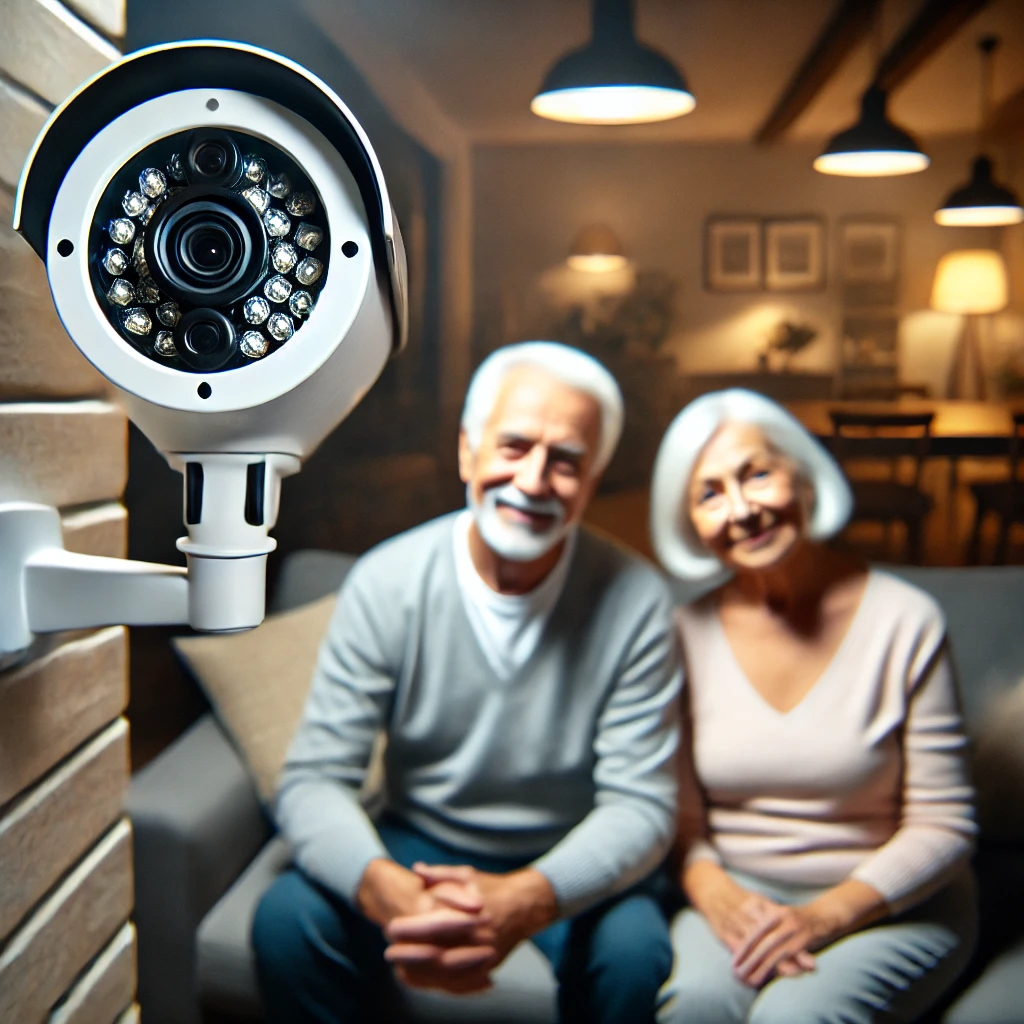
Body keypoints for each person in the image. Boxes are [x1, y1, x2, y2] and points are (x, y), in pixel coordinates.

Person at [252, 341, 681, 1023]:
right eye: (513, 447)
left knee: (632, 954)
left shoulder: (637, 601)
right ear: (467, 452)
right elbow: (313, 779)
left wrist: (526, 899)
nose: (535, 480)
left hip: (568, 846)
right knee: (286, 921)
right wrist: (388, 891)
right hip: (417, 840)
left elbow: (643, 807)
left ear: (593, 481)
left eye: (566, 460)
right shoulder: (387, 581)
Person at [649, 389, 977, 1024]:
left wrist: (823, 916)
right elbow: (683, 823)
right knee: (694, 1008)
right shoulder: (680, 633)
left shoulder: (906, 621)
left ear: (801, 471)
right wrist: (718, 897)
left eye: (757, 475)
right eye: (710, 494)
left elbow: (947, 824)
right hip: (739, 897)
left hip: (891, 900)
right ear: (690, 521)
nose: (741, 511)